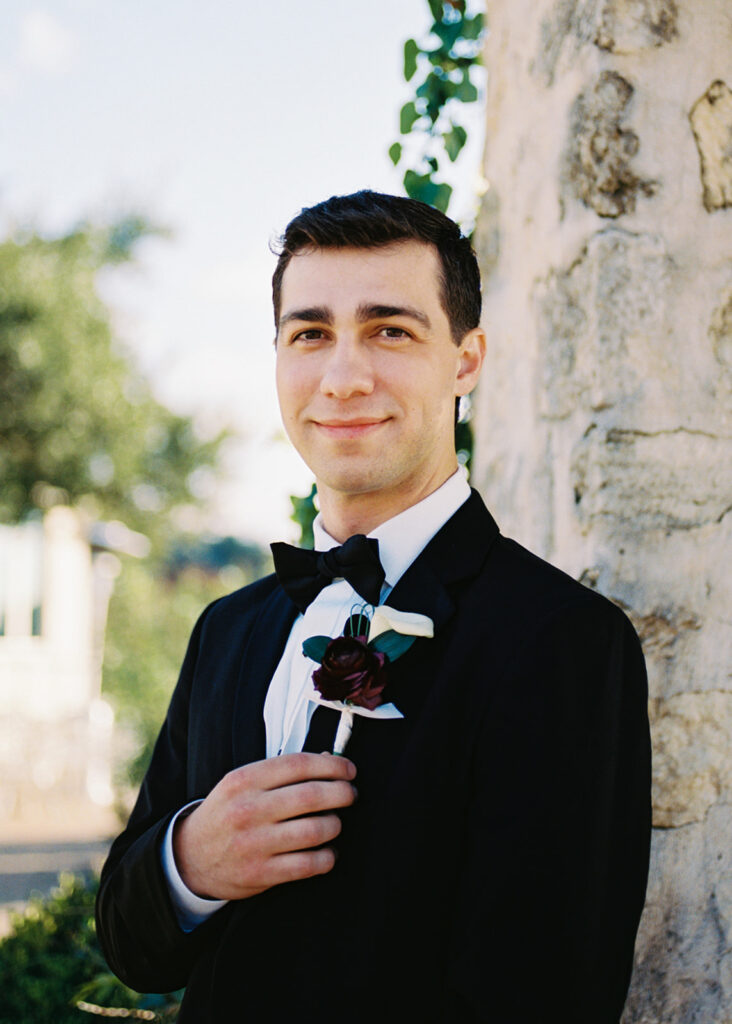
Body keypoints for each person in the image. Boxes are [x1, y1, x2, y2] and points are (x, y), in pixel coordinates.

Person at [96, 191, 651, 1023]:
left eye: (390, 330)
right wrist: (190, 865)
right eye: (310, 333)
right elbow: (130, 945)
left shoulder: (564, 641)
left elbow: (547, 991)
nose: (343, 376)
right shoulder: (228, 630)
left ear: (465, 361)